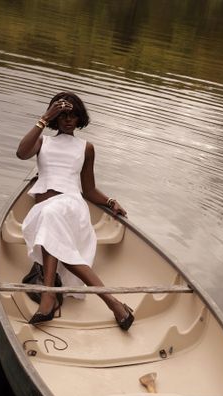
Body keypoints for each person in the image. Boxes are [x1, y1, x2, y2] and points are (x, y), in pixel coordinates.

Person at [16, 92, 134, 331]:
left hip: (71, 205)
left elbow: (88, 190)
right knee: (49, 216)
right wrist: (43, 118)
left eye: (73, 115)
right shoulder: (43, 143)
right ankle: (113, 303)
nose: (68, 120)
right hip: (45, 210)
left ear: (80, 118)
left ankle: (48, 298)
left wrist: (110, 201)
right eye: (63, 115)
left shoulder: (86, 148)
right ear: (55, 118)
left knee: (51, 215)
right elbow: (21, 153)